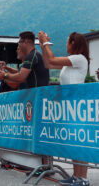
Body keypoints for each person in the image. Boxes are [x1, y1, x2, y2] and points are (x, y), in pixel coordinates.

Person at [38, 31, 90, 186]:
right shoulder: (71, 61)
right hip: (69, 107)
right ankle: (76, 176)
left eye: (67, 41)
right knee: (74, 143)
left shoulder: (79, 58)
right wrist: (42, 44)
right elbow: (49, 63)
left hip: (76, 107)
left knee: (79, 143)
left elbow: (52, 58)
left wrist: (45, 42)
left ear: (73, 43)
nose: (66, 44)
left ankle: (84, 178)